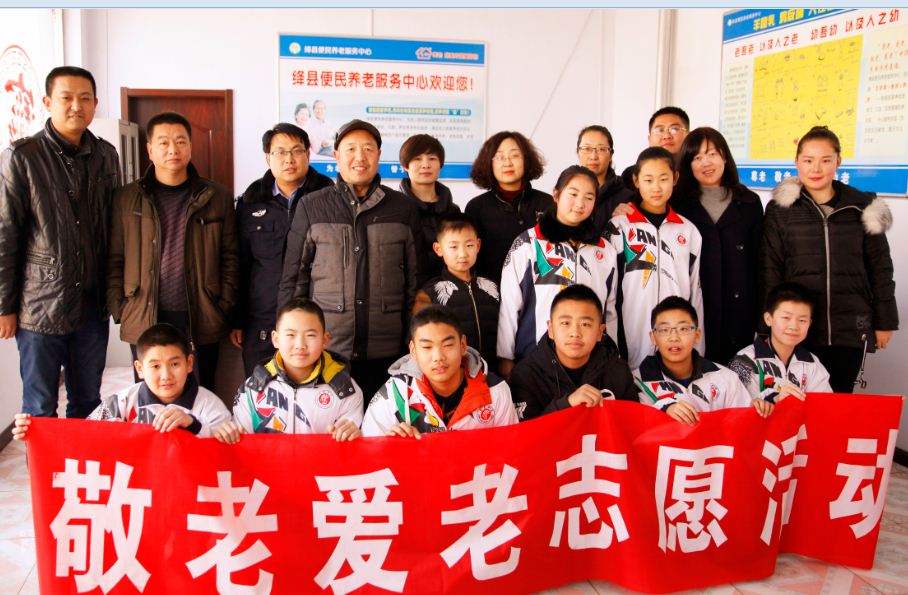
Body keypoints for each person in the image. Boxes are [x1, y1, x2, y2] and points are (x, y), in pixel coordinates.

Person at [0, 66, 119, 418]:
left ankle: (81, 459)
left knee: (88, 402)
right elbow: (6, 234)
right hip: (40, 305)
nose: (76, 106)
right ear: (47, 102)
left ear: (95, 103)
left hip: (92, 305)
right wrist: (5, 306)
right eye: (66, 97)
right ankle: (45, 460)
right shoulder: (23, 156)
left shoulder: (106, 155)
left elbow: (114, 226)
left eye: (84, 98)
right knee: (39, 408)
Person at [279, 119, 422, 401]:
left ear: (378, 156)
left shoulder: (403, 209)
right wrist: (289, 341)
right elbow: (294, 280)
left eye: (368, 149)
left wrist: (414, 342)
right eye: (351, 149)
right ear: (336, 155)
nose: (360, 157)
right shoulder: (312, 206)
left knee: (387, 425)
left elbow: (416, 285)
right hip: (328, 350)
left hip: (388, 353)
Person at [107, 111, 239, 394]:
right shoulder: (126, 198)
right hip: (144, 311)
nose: (172, 149)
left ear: (190, 146)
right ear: (150, 150)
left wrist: (223, 304)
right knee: (152, 391)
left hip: (201, 311)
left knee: (201, 392)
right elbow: (115, 258)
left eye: (180, 141)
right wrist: (121, 307)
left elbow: (230, 257)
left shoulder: (217, 197)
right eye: (164, 142)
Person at [760, 125, 898, 392]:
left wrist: (885, 322)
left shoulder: (864, 206)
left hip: (849, 328)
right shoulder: (780, 209)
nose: (816, 169)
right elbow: (770, 268)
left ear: (838, 162)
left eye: (825, 160)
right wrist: (767, 325)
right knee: (794, 402)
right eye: (808, 160)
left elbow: (881, 267)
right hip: (797, 328)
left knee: (838, 402)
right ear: (797, 162)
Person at [12, 323, 231, 441]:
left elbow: (230, 448)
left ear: (189, 363)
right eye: (155, 366)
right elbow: (82, 436)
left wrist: (192, 424)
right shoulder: (122, 402)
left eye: (175, 364)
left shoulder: (209, 404)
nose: (166, 375)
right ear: (139, 369)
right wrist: (38, 432)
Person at [498, 165, 618, 379]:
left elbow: (610, 311)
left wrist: (613, 354)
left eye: (589, 197)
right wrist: (505, 357)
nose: (580, 203)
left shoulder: (604, 250)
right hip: (535, 360)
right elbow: (509, 305)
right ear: (556, 194)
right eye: (573, 194)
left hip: (590, 362)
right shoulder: (528, 244)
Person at [231, 123, 332, 376]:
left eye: (296, 151)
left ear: (308, 154)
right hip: (262, 317)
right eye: (280, 152)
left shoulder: (329, 196)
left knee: (315, 390)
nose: (289, 159)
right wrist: (238, 319)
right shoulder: (251, 201)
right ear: (268, 158)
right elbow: (241, 263)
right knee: (261, 389)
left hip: (316, 315)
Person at [606, 147, 704, 370]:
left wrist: (698, 349)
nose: (656, 187)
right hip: (631, 333)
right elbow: (609, 294)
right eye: (648, 180)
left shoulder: (688, 231)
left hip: (677, 337)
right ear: (636, 180)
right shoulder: (619, 228)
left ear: (675, 179)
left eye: (663, 179)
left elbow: (695, 294)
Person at [216, 299, 363, 444]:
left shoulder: (346, 390)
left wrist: (354, 433)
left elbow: (352, 447)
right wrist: (228, 433)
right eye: (290, 335)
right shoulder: (253, 388)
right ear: (276, 339)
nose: (300, 345)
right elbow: (241, 444)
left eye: (310, 335)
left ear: (325, 340)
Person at [674, 127, 763, 364]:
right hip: (697, 307)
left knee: (738, 374)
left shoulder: (750, 202)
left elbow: (760, 262)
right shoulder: (678, 205)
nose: (706, 163)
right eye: (697, 157)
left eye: (712, 154)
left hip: (741, 309)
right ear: (688, 164)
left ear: (724, 157)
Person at [361, 305, 518, 438]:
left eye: (448, 345)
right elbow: (369, 450)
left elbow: (511, 449)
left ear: (463, 345)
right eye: (427, 347)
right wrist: (390, 446)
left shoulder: (495, 390)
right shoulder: (394, 393)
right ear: (413, 350)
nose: (438, 357)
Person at [634, 296, 770, 426]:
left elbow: (743, 425)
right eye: (664, 330)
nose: (674, 337)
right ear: (653, 337)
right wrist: (663, 410)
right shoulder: (637, 382)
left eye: (683, 329)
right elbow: (635, 427)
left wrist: (760, 408)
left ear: (697, 335)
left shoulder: (726, 378)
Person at [510, 284, 637, 421]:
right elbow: (525, 432)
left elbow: (633, 426)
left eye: (585, 324)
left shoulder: (618, 371)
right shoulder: (526, 375)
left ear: (600, 332)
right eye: (565, 323)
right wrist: (566, 404)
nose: (575, 333)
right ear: (551, 329)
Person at [464, 131, 552, 283]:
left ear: (526, 160)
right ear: (489, 163)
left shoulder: (547, 203)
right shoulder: (476, 207)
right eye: (499, 157)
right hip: (492, 290)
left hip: (541, 288)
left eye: (514, 155)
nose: (507, 163)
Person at [414, 213, 500, 367]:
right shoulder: (429, 293)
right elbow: (420, 341)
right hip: (454, 372)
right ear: (438, 249)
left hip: (493, 371)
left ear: (478, 245)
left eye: (469, 245)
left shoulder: (492, 288)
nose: (463, 254)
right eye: (453, 247)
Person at [729, 282, 831, 403]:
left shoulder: (812, 363)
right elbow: (737, 408)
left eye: (802, 320)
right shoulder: (745, 360)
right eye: (786, 318)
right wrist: (774, 399)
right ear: (768, 319)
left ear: (810, 323)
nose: (794, 326)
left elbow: (824, 404)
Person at [398, 134, 460, 284]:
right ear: (405, 166)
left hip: (450, 290)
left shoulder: (453, 211)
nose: (426, 165)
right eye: (417, 159)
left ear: (440, 164)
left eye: (432, 158)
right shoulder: (395, 209)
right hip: (409, 292)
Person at [576, 124, 633, 235]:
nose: (593, 156)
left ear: (611, 155)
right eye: (587, 149)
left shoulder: (627, 197)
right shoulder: (567, 192)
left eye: (601, 149)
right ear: (578, 152)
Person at [619, 106, 690, 190]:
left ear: (689, 135)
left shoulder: (697, 172)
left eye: (674, 129)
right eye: (660, 130)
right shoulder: (631, 174)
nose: (666, 136)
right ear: (649, 139)